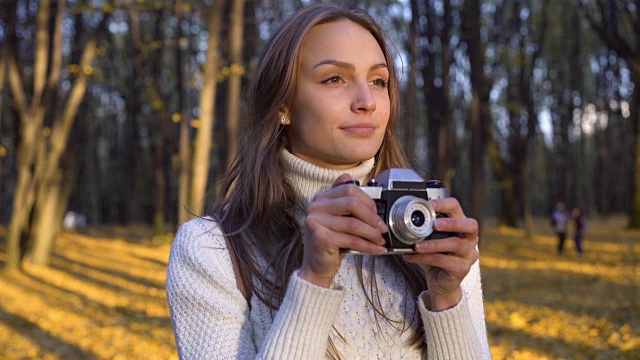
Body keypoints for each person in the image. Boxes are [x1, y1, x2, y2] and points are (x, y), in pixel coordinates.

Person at [166, 4, 491, 359]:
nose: (366, 101)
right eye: (334, 78)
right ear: (283, 105)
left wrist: (446, 298)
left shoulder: (430, 228)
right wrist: (313, 281)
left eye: (378, 81)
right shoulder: (210, 249)